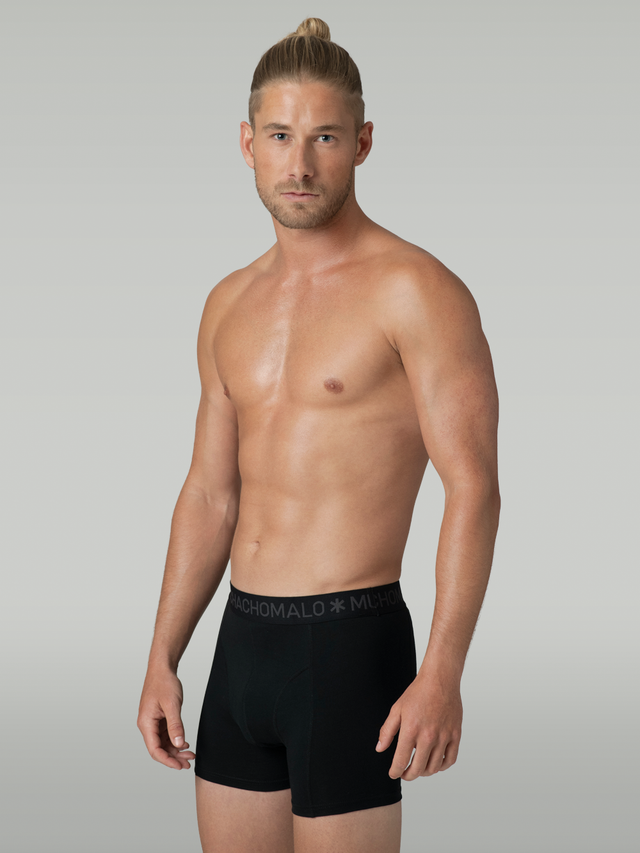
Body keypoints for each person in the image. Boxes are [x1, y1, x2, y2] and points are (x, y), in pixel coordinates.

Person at [137, 17, 500, 853]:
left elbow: (473, 486)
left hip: (350, 646)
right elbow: (209, 492)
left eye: (325, 137)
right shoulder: (228, 302)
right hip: (241, 645)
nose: (299, 164)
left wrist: (443, 670)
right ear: (247, 143)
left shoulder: (416, 290)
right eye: (280, 136)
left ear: (363, 143)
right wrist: (162, 653)